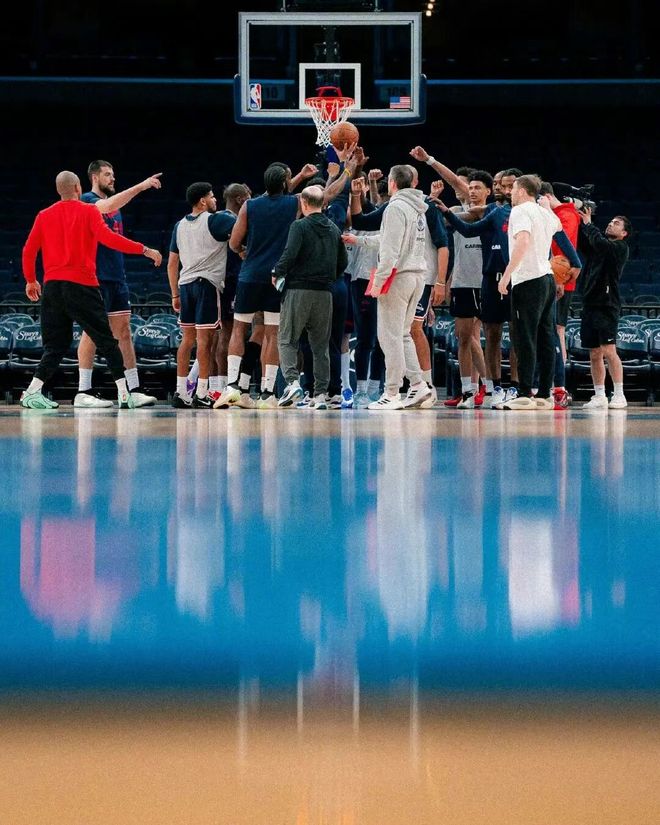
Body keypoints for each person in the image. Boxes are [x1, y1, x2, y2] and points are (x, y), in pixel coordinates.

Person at [20, 171, 162, 409]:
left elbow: (28, 250)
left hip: (52, 287)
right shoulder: (88, 211)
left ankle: (31, 392)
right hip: (82, 285)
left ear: (59, 190)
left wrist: (31, 280)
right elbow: (110, 238)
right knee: (106, 340)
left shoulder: (44, 215)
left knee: (55, 346)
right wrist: (144, 249)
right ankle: (124, 394)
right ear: (78, 187)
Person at [216, 161, 317, 409]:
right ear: (285, 182)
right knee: (273, 334)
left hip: (249, 275)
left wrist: (243, 251)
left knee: (238, 330)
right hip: (277, 277)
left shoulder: (250, 205)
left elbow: (233, 243)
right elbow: (322, 197)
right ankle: (267, 393)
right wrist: (344, 172)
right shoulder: (294, 203)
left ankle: (232, 387)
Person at [77, 159, 162, 408]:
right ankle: (83, 390)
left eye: (113, 174)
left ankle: (132, 389)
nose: (112, 178)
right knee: (92, 332)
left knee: (124, 331)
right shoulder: (87, 200)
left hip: (116, 277)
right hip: (95, 277)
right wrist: (142, 186)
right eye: (107, 174)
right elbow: (107, 206)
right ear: (94, 177)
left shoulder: (115, 206)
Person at [363, 165, 432, 411]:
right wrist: (359, 240)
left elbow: (390, 251)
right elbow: (392, 239)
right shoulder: (418, 208)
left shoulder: (395, 207)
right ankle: (418, 384)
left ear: (392, 183)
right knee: (402, 335)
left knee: (389, 337)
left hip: (398, 278)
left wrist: (378, 283)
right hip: (417, 276)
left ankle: (391, 393)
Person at [273, 185, 348, 409]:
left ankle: (292, 382)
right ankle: (321, 395)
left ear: (304, 203)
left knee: (287, 339)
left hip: (299, 290)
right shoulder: (334, 229)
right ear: (323, 203)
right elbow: (342, 262)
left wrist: (277, 272)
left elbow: (290, 254)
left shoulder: (299, 226)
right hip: (325, 292)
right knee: (321, 346)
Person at [168, 182, 236, 408]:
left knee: (187, 340)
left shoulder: (179, 225)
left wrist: (174, 294)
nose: (215, 200)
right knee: (205, 342)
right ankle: (202, 392)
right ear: (202, 201)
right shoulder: (215, 220)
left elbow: (172, 263)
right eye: (212, 196)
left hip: (185, 285)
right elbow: (243, 227)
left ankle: (181, 391)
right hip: (206, 284)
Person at [497, 175, 562, 410]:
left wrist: (506, 275)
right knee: (546, 338)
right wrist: (547, 207)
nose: (510, 193)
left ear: (523, 191)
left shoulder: (520, 211)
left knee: (524, 337)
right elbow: (559, 225)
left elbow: (523, 241)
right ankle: (544, 394)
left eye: (513, 188)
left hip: (527, 279)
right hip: (547, 278)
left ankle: (524, 393)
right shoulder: (543, 212)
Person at [578, 211, 632, 410]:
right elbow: (584, 243)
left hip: (607, 304)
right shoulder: (599, 246)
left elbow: (600, 243)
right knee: (594, 353)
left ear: (624, 233)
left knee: (609, 350)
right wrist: (578, 221)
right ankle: (599, 395)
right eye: (610, 221)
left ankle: (619, 394)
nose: (610, 224)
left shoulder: (620, 248)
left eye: (616, 223)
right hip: (590, 303)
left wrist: (588, 223)